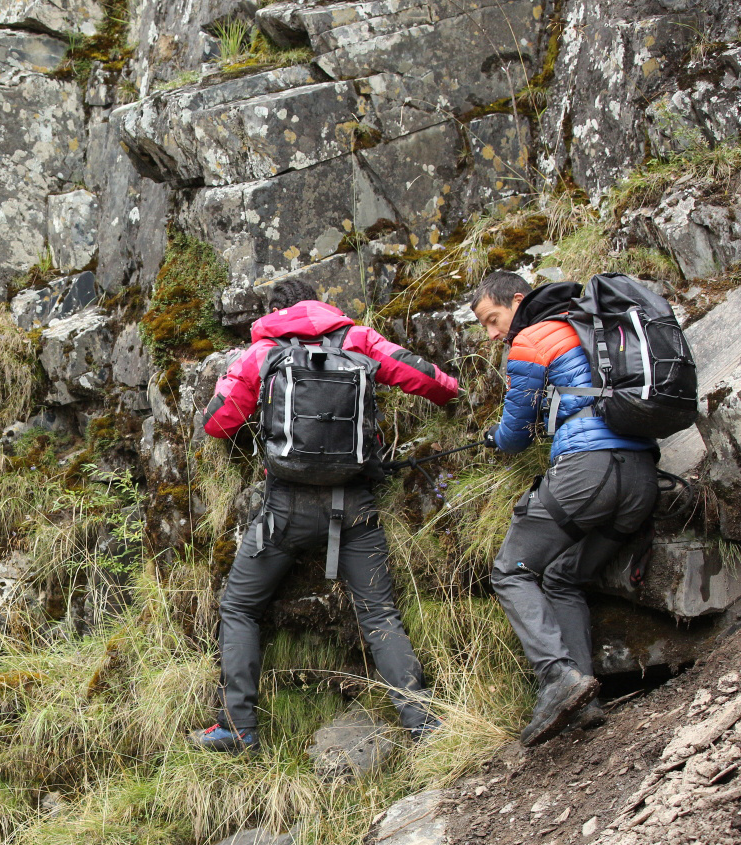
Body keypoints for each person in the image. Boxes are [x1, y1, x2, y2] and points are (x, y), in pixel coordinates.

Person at [189, 278, 460, 751]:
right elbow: (430, 380)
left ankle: (239, 729)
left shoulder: (262, 354)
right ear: (318, 303)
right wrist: (452, 390)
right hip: (356, 505)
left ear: (274, 312)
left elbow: (218, 423)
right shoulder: (358, 339)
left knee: (239, 607)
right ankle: (424, 725)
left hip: (284, 512)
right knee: (380, 614)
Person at [473, 270, 659, 747]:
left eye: (493, 320)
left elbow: (516, 432)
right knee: (563, 577)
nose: (493, 335)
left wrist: (495, 438)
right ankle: (585, 702)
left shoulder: (534, 338)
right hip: (641, 477)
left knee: (511, 572)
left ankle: (558, 677)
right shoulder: (590, 325)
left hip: (587, 475)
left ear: (518, 300)